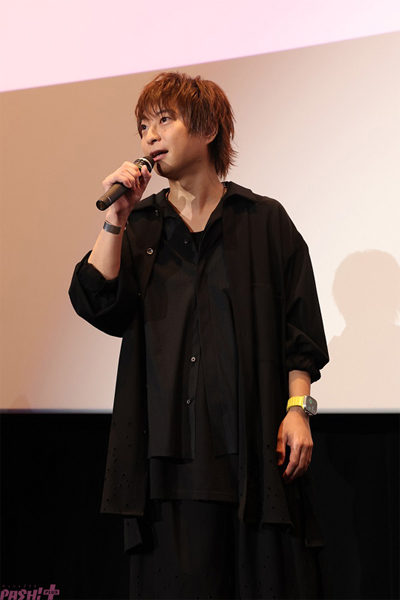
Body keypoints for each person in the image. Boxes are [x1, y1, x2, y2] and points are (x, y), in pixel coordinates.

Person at [69, 72, 329, 599]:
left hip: (254, 460)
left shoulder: (264, 221)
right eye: (143, 126)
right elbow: (97, 301)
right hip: (165, 468)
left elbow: (299, 329)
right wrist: (116, 218)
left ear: (208, 129)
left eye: (164, 120)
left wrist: (298, 409)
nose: (150, 135)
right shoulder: (141, 226)